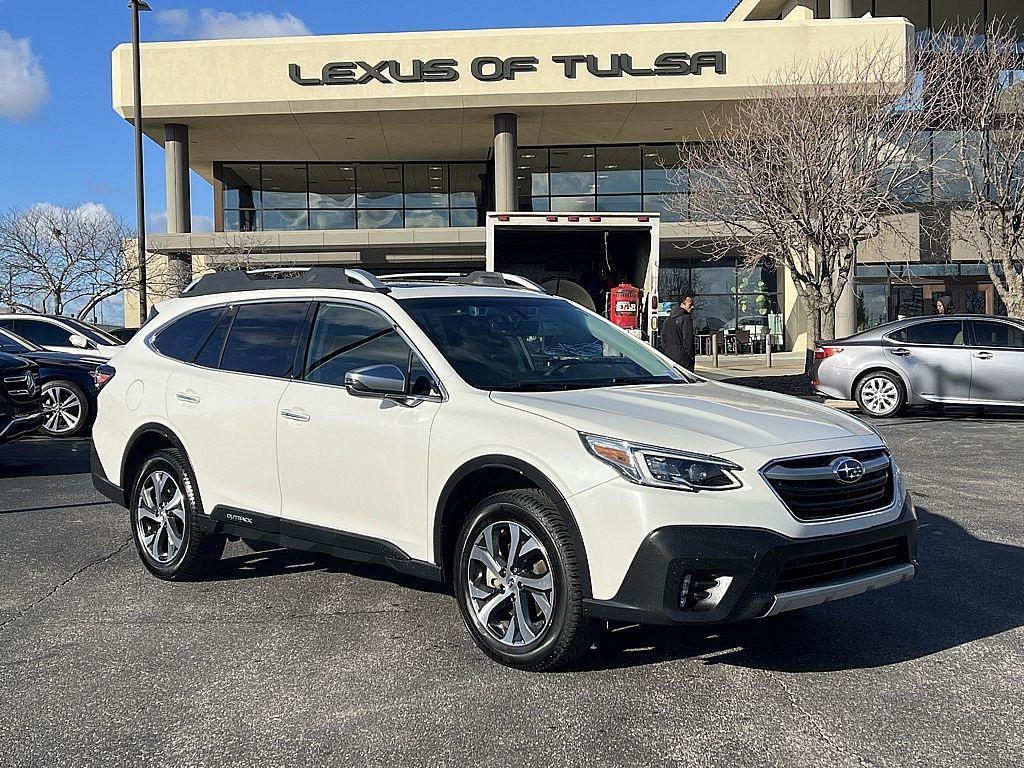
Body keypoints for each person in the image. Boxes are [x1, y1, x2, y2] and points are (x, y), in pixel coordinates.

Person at [662, 296, 696, 372]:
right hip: (683, 357)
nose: (692, 307)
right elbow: (688, 339)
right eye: (690, 305)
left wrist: (667, 350)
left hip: (669, 355)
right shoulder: (686, 318)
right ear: (682, 304)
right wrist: (689, 356)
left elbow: (663, 338)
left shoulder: (668, 319)